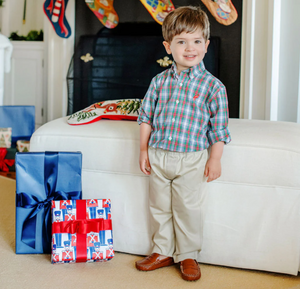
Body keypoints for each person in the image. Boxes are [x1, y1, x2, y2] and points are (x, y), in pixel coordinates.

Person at [136, 6, 231, 282]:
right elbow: (146, 117)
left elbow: (219, 128)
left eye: (197, 41)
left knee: (187, 208)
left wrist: (215, 158)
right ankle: (162, 250)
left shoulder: (213, 87)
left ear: (206, 45)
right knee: (160, 206)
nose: (190, 48)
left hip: (191, 159)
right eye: (181, 41)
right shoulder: (159, 82)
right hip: (159, 155)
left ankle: (188, 254)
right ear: (168, 46)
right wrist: (143, 149)